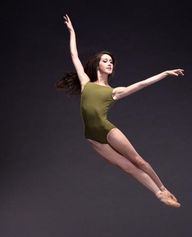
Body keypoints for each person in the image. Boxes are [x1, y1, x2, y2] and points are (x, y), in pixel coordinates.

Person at [56, 14, 184, 208]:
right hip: (92, 137)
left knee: (138, 161)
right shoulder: (85, 83)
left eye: (111, 62)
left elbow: (141, 84)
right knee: (126, 168)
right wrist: (72, 31)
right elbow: (74, 55)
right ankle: (158, 194)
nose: (110, 63)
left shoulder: (113, 91)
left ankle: (163, 188)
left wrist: (164, 74)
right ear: (97, 64)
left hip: (107, 130)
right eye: (106, 60)